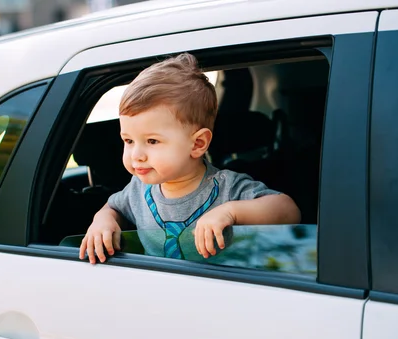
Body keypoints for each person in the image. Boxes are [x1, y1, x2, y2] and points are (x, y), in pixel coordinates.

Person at [79, 53, 301, 264]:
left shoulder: (226, 187)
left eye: (152, 141)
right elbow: (114, 207)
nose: (136, 155)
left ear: (198, 144)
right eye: (128, 141)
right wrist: (103, 221)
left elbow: (288, 211)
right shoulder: (138, 189)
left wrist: (231, 212)